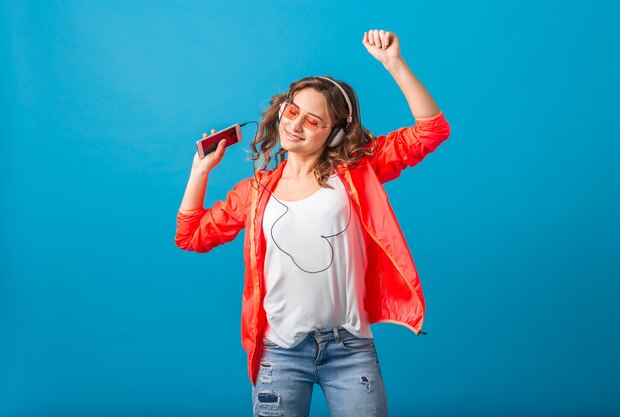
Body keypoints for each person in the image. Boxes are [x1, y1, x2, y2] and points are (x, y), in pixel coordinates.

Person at [174, 29, 451, 417]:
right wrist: (199, 172)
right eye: (293, 111)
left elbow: (431, 130)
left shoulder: (357, 172)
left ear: (334, 134)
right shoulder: (254, 192)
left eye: (313, 120)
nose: (296, 125)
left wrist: (393, 62)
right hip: (280, 351)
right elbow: (190, 236)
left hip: (350, 349)